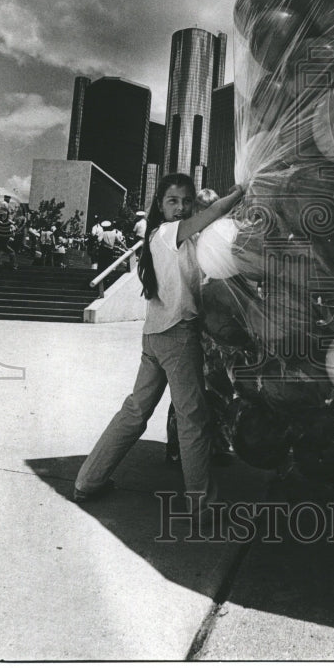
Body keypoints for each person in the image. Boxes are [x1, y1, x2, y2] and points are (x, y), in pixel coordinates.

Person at [73, 173, 245, 523]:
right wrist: (239, 192)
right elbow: (209, 216)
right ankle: (202, 506)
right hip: (177, 337)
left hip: (156, 336)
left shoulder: (175, 238)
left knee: (135, 412)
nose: (181, 207)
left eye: (186, 201)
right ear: (159, 204)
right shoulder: (166, 233)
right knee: (193, 419)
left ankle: (87, 482)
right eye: (173, 201)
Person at [165, 187, 219, 465]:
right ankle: (177, 447)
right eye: (205, 209)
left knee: (214, 388)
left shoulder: (216, 238)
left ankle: (213, 444)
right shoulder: (188, 239)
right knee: (187, 390)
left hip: (212, 327)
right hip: (190, 324)